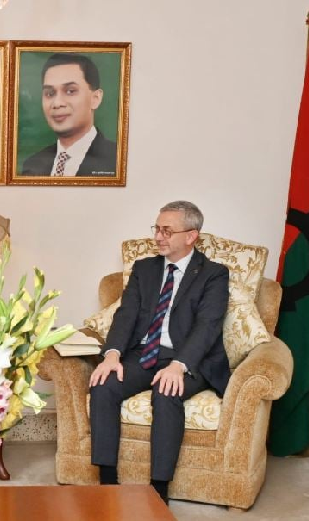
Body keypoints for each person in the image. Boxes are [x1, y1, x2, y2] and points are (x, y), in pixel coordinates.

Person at [88, 201, 230, 505]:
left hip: (189, 359)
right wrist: (112, 354)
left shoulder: (214, 274)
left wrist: (179, 365)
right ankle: (107, 482)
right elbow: (126, 315)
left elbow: (207, 326)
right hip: (144, 353)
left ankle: (158, 490)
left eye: (167, 230)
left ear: (191, 236)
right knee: (104, 384)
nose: (158, 237)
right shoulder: (144, 269)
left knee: (166, 391)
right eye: (157, 228)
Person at [21, 53, 117, 177]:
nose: (57, 103)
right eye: (50, 93)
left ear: (95, 98)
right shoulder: (32, 165)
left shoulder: (118, 160)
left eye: (70, 91)